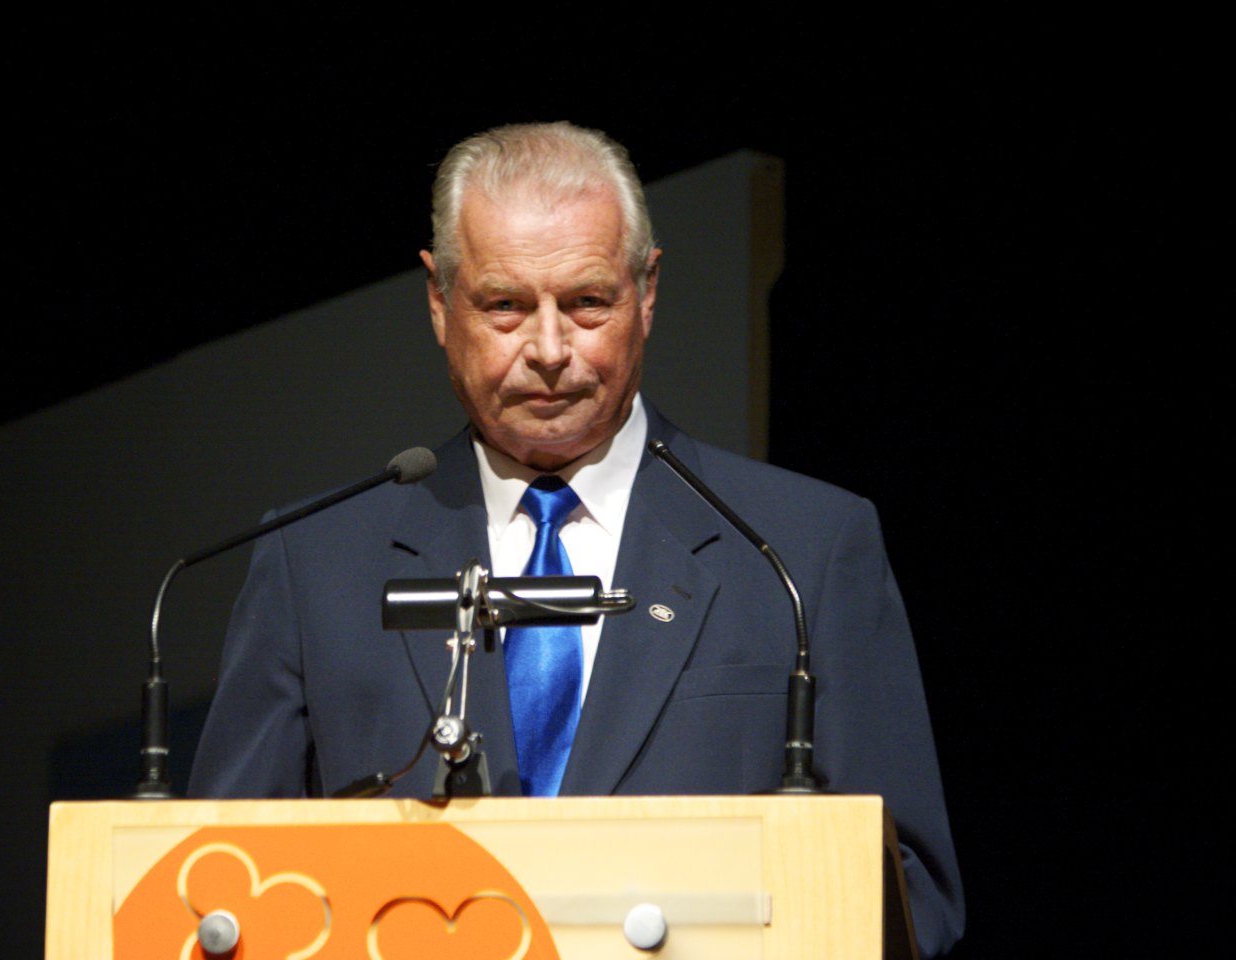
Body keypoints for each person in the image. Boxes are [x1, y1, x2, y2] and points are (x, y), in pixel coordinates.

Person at [190, 122, 965, 956]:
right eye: (505, 306)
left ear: (648, 291)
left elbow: (909, 891)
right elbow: (210, 886)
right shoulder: (315, 564)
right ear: (440, 303)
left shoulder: (801, 550)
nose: (551, 350)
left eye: (588, 303)